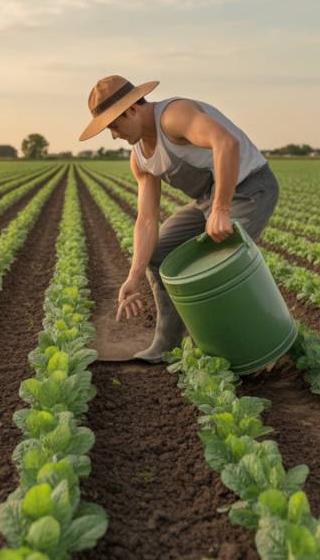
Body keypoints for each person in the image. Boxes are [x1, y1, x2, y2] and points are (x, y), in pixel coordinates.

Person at [79, 74, 280, 362]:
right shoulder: (139, 158)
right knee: (159, 251)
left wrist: (221, 210)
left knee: (220, 262)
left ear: (132, 110)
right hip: (208, 199)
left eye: (114, 125)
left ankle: (243, 349)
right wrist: (134, 276)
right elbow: (147, 219)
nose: (113, 135)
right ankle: (167, 343)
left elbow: (226, 143)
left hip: (250, 187)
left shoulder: (174, 116)